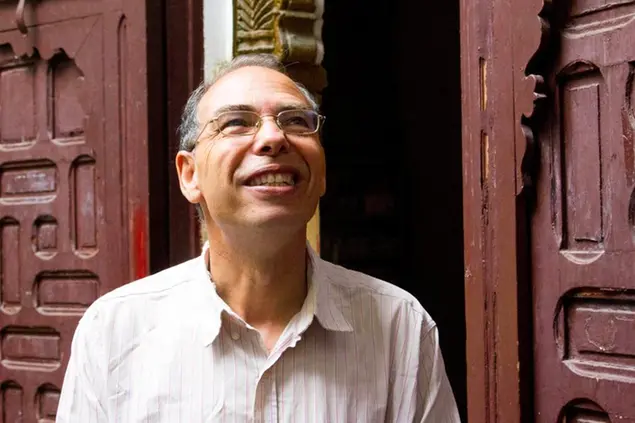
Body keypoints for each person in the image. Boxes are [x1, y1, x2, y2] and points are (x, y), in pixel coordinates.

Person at [56, 53, 460, 422]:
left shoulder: (399, 326)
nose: (273, 137)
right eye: (236, 122)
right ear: (189, 175)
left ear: (320, 174)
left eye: (296, 121)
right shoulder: (114, 333)